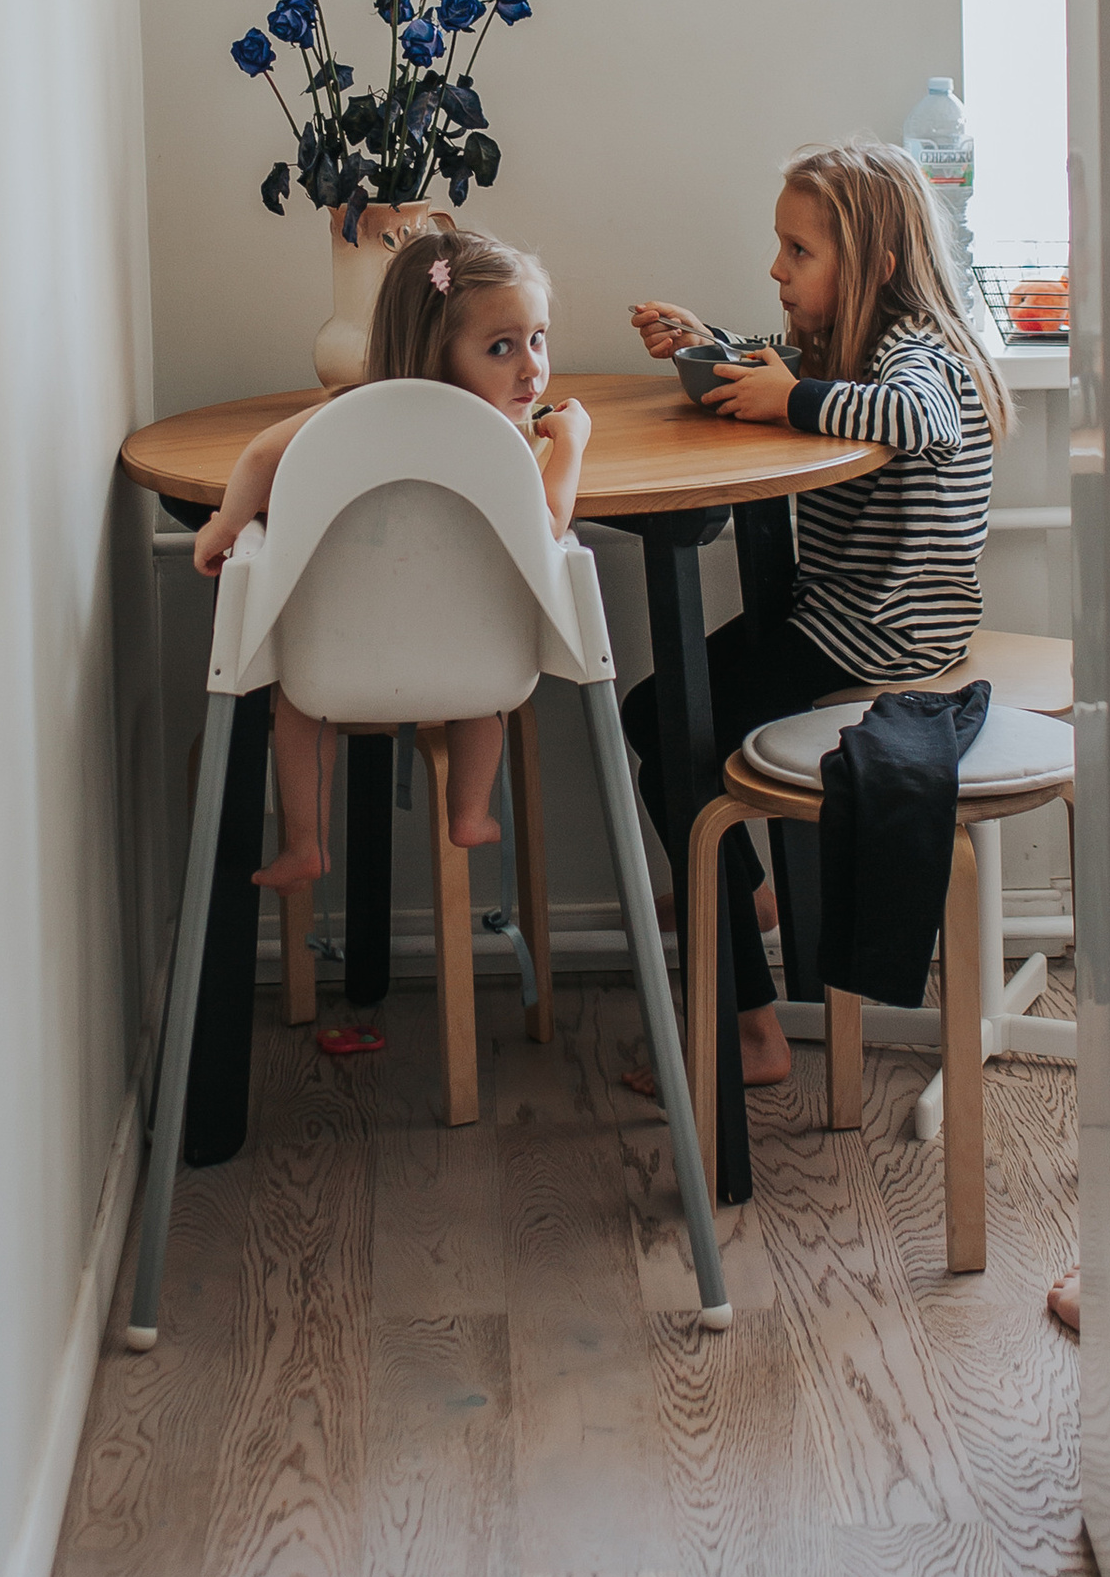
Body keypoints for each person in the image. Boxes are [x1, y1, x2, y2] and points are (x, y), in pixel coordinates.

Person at [625, 141, 1009, 1084]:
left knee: (662, 721)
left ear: (874, 265)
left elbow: (919, 417)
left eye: (799, 252)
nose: (778, 269)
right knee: (663, 719)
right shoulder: (850, 348)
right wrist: (707, 346)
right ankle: (741, 897)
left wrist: (790, 394)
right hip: (848, 616)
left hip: (880, 633)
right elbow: (793, 371)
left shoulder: (920, 352)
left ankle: (750, 1023)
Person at [189, 226, 590, 898]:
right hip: (472, 661)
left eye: (538, 339)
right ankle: (469, 813)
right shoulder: (499, 443)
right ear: (438, 347)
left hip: (339, 661)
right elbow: (551, 522)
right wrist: (572, 444)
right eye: (502, 347)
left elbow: (261, 456)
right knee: (489, 700)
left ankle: (306, 842)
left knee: (292, 705)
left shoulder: (345, 413)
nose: (531, 367)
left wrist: (227, 524)